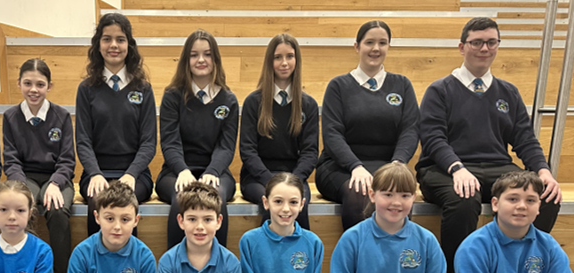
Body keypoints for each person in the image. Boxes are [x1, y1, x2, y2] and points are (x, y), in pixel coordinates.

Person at [417, 17, 562, 273]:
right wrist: (457, 168)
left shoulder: (508, 92)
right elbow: (433, 139)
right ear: (462, 47)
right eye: (477, 43)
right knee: (463, 199)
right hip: (444, 170)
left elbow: (525, 139)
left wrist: (543, 171)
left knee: (547, 196)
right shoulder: (440, 90)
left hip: (498, 168)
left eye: (491, 42)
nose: (484, 48)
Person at [315, 21, 419, 231]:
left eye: (382, 43)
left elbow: (410, 129)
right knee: (360, 192)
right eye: (369, 42)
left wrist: (398, 164)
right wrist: (355, 166)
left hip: (388, 165)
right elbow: (332, 134)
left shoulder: (402, 85)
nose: (376, 48)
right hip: (340, 167)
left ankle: (399, 250)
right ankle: (358, 251)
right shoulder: (338, 86)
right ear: (357, 46)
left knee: (400, 192)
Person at [157, 30, 239, 250]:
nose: (201, 60)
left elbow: (226, 146)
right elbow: (170, 142)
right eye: (194, 55)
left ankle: (218, 265)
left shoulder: (228, 99)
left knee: (216, 199)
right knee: (182, 198)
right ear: (186, 60)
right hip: (175, 172)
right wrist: (182, 170)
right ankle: (175, 265)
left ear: (216, 59)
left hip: (216, 172)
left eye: (207, 54)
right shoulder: (172, 96)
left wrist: (212, 172)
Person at [76, 13, 156, 237]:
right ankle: (96, 259)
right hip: (96, 173)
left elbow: (148, 143)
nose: (114, 45)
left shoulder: (143, 89)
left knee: (125, 204)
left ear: (129, 45)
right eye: (107, 39)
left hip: (136, 175)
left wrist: (131, 174)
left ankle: (130, 259)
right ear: (98, 44)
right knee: (98, 203)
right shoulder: (86, 89)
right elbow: (83, 141)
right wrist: (94, 173)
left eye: (120, 39)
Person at [3, 58, 75, 273]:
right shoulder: (11, 116)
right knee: (23, 209)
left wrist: (55, 183)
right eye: (28, 83)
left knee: (57, 210)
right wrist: (22, 188)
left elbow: (67, 160)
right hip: (25, 177)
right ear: (19, 84)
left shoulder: (61, 116)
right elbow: (11, 160)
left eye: (40, 84)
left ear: (49, 86)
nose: (33, 89)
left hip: (57, 177)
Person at [240, 33, 319, 229]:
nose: (284, 63)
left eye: (289, 56)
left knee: (297, 205)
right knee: (273, 204)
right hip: (258, 178)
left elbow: (310, 152)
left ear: (296, 60)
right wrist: (272, 182)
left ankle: (301, 250)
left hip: (295, 176)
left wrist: (293, 181)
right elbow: (248, 151)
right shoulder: (253, 102)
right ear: (270, 61)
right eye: (278, 57)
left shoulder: (308, 104)